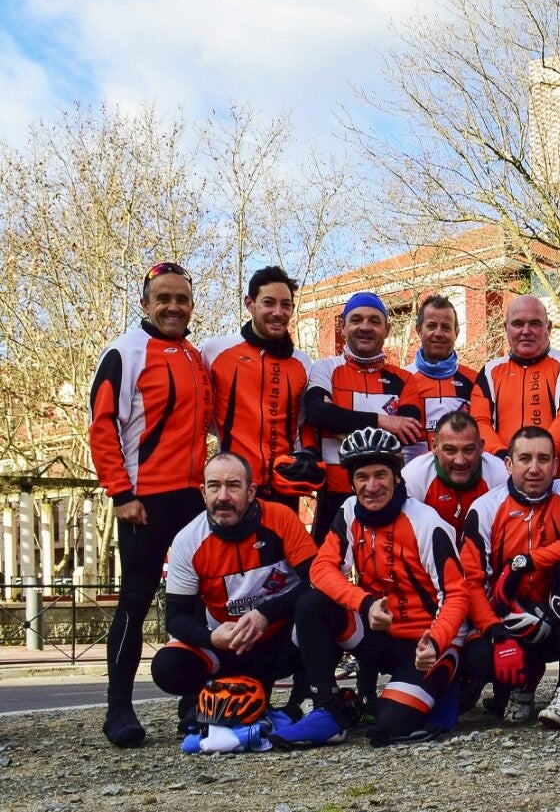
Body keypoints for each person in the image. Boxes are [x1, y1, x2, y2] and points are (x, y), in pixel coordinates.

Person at [272, 427, 470, 749]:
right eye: (362, 477)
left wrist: (436, 639)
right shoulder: (349, 512)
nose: (372, 486)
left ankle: (443, 687)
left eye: (381, 475)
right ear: (352, 482)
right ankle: (328, 710)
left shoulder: (426, 522)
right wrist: (364, 603)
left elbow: (457, 595)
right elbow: (321, 569)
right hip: (379, 633)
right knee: (312, 604)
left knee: (389, 729)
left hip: (426, 644)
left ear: (397, 478)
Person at [91, 261, 212, 747]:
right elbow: (103, 427)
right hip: (143, 498)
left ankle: (194, 703)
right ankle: (118, 708)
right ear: (145, 303)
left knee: (196, 603)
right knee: (134, 601)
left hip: (191, 498)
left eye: (181, 299)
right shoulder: (124, 352)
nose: (173, 307)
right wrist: (120, 493)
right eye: (163, 298)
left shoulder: (194, 356)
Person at [152, 452, 316, 733]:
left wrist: (266, 613)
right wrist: (211, 637)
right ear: (203, 493)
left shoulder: (280, 517)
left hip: (283, 641)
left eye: (234, 486)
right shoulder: (187, 540)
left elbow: (317, 580)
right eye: (214, 486)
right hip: (229, 647)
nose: (223, 496)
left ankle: (305, 700)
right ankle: (212, 695)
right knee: (167, 664)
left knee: (320, 605)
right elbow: (176, 617)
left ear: (251, 491)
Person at [459, 426, 560, 728]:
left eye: (544, 459)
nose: (535, 468)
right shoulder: (484, 508)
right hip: (508, 619)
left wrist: (527, 561)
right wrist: (497, 634)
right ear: (508, 464)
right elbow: (471, 583)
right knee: (479, 658)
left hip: (556, 614)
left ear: (555, 465)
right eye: (525, 459)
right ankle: (522, 684)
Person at [303, 292, 421, 541]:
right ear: (342, 327)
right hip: (333, 495)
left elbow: (407, 434)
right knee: (326, 571)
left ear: (387, 329)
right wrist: (384, 421)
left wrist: (337, 424)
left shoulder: (405, 379)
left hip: (383, 494)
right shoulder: (325, 368)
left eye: (374, 321)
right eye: (356, 320)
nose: (365, 327)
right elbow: (317, 413)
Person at [199, 265, 314, 506]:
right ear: (250, 303)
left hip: (284, 487)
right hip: (232, 487)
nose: (278, 312)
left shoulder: (302, 362)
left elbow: (303, 424)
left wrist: (308, 456)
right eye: (269, 303)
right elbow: (200, 415)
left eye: (286, 305)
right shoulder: (215, 351)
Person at [470, 295, 560, 477]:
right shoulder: (489, 371)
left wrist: (537, 462)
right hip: (504, 478)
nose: (526, 331)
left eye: (534, 323)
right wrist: (506, 461)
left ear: (548, 327)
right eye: (518, 324)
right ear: (506, 328)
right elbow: (480, 423)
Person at [398, 294, 480, 461]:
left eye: (446, 327)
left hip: (461, 475)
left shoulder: (475, 380)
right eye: (431, 326)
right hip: (416, 481)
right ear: (418, 330)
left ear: (456, 332)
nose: (438, 333)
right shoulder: (402, 379)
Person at [400, 411, 508, 536]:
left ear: (481, 447)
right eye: (450, 450)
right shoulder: (413, 477)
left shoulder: (501, 474)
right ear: (434, 446)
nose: (460, 461)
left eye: (468, 450)